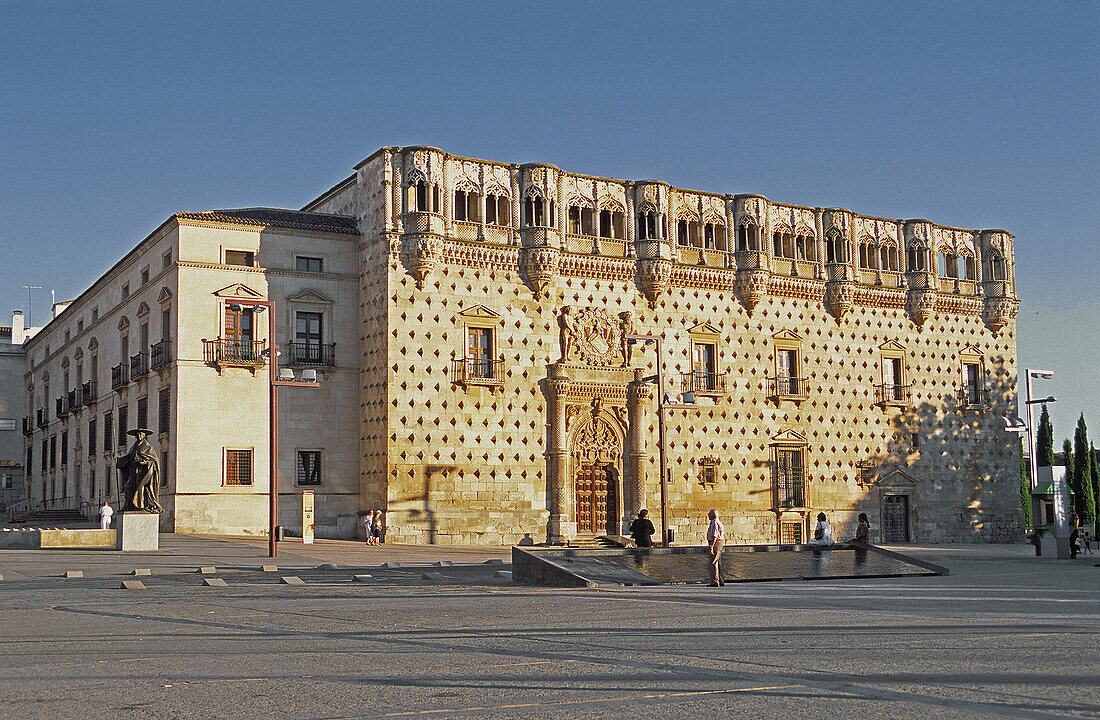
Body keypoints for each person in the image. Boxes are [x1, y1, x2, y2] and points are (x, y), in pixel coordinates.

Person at [706, 509, 724, 586]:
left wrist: (711, 546)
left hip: (715, 542)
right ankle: (720, 580)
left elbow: (714, 536)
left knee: (713, 562)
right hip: (719, 542)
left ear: (712, 515)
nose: (708, 516)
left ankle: (715, 581)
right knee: (718, 561)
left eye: (709, 514)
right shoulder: (718, 522)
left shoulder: (715, 523)